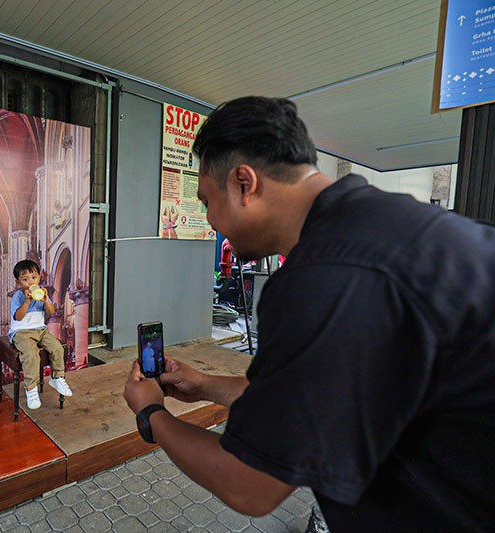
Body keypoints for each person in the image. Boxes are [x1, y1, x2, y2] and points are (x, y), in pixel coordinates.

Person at [123, 96, 495, 530]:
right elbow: (308, 397)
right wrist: (203, 384)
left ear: (244, 183)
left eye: (207, 201)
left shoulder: (325, 278)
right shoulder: (387, 224)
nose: (210, 221)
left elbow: (248, 484)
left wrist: (152, 415)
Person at [8, 259, 72, 409]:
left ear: (39, 278)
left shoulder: (42, 293)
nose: (31, 282)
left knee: (57, 348)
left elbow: (52, 312)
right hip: (21, 332)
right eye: (25, 279)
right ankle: (31, 388)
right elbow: (18, 317)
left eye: (34, 277)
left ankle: (57, 377)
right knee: (31, 355)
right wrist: (27, 301)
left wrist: (45, 301)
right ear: (18, 282)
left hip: (40, 330)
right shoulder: (18, 296)